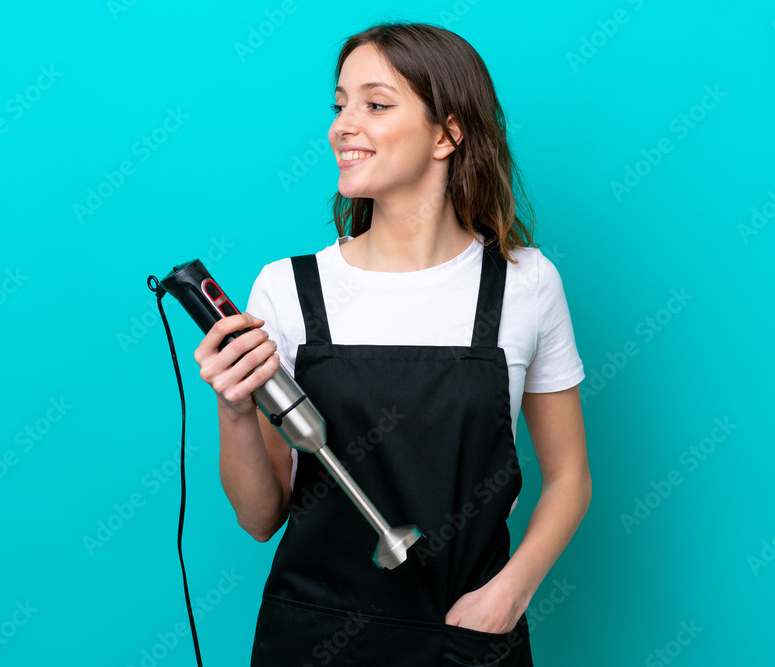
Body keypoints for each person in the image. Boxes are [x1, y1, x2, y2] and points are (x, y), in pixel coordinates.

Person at [193, 21, 591, 666]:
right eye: (339, 104)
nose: (342, 126)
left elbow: (571, 477)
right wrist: (235, 407)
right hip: (314, 638)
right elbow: (260, 517)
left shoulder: (525, 284)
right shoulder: (289, 289)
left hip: (466, 636)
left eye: (375, 104)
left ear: (447, 133)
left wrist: (510, 593)